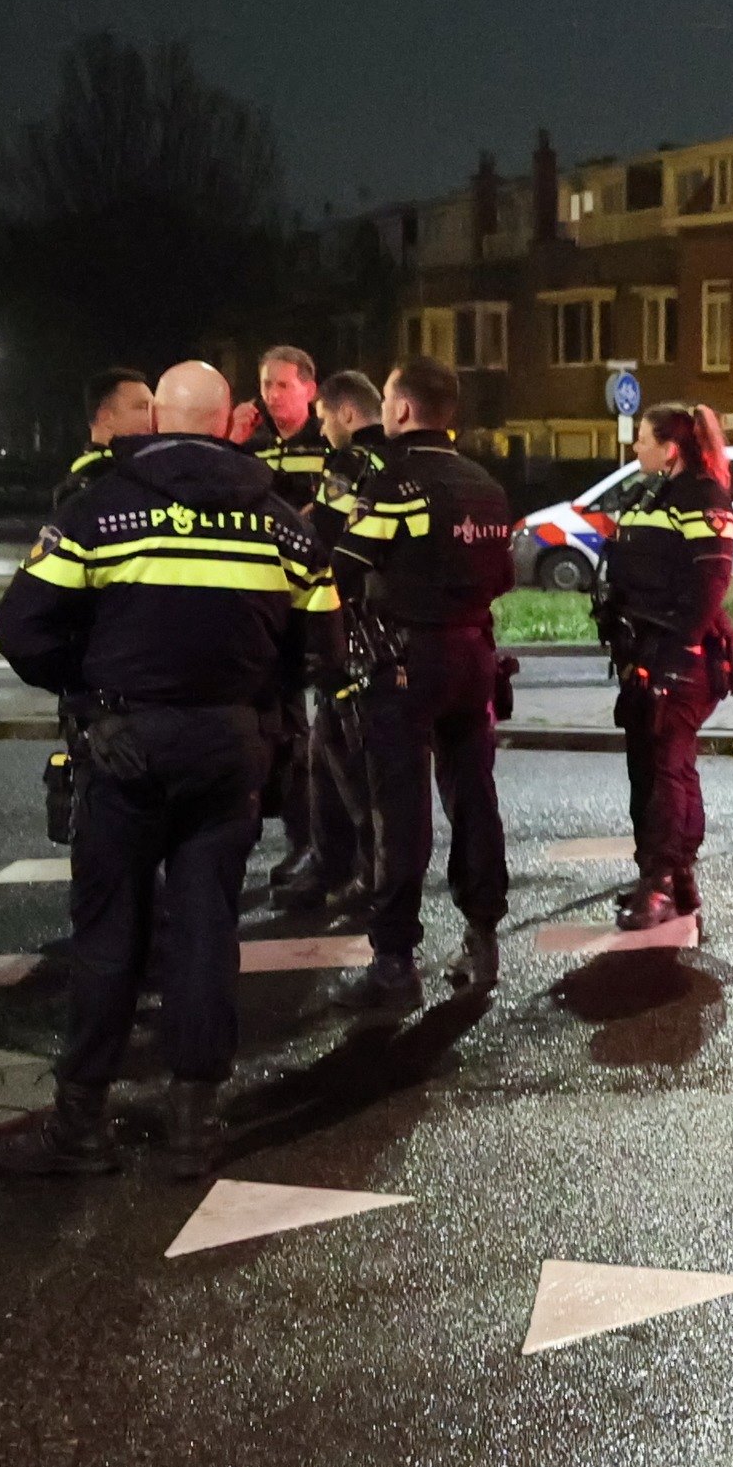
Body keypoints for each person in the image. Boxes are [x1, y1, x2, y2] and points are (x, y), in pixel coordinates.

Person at [0, 360, 339, 1178]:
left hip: (125, 746)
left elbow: (22, 627)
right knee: (208, 928)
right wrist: (262, 702)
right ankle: (195, 1121)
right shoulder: (284, 524)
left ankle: (82, 1123)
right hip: (229, 749)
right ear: (226, 423)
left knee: (111, 930)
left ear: (154, 423)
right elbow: (318, 645)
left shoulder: (95, 512)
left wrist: (89, 688)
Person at [325, 358, 516, 1011]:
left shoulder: (392, 482)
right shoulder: (486, 485)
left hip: (404, 660)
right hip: (475, 655)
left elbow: (342, 571)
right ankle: (482, 935)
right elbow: (502, 578)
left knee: (399, 809)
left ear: (400, 410)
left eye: (385, 398)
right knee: (474, 797)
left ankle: (395, 960)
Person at [592, 402, 733, 931]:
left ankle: (661, 881)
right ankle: (674, 876)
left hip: (677, 654)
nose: (635, 448)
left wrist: (679, 652)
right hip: (642, 651)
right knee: (650, 764)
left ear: (670, 447)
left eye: (642, 439)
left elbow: (710, 582)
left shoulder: (702, 496)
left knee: (667, 767)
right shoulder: (653, 491)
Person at [281, 368, 389, 915]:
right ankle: (331, 863)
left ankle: (363, 875)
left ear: (347, 413)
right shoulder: (400, 460)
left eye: (324, 416)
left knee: (349, 757)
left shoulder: (350, 462)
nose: (321, 427)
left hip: (349, 626)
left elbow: (320, 532)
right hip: (384, 627)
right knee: (329, 747)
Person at [248, 346, 332, 902]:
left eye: (283, 385)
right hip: (259, 604)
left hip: (312, 604)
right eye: (266, 385)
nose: (273, 395)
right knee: (272, 731)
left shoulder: (326, 447)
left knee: (314, 736)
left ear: (310, 388)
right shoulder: (252, 448)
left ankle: (315, 844)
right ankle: (291, 838)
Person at [56, 368, 153, 509]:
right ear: (106, 417)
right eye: (142, 407)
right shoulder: (94, 480)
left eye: (153, 408)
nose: (152, 415)